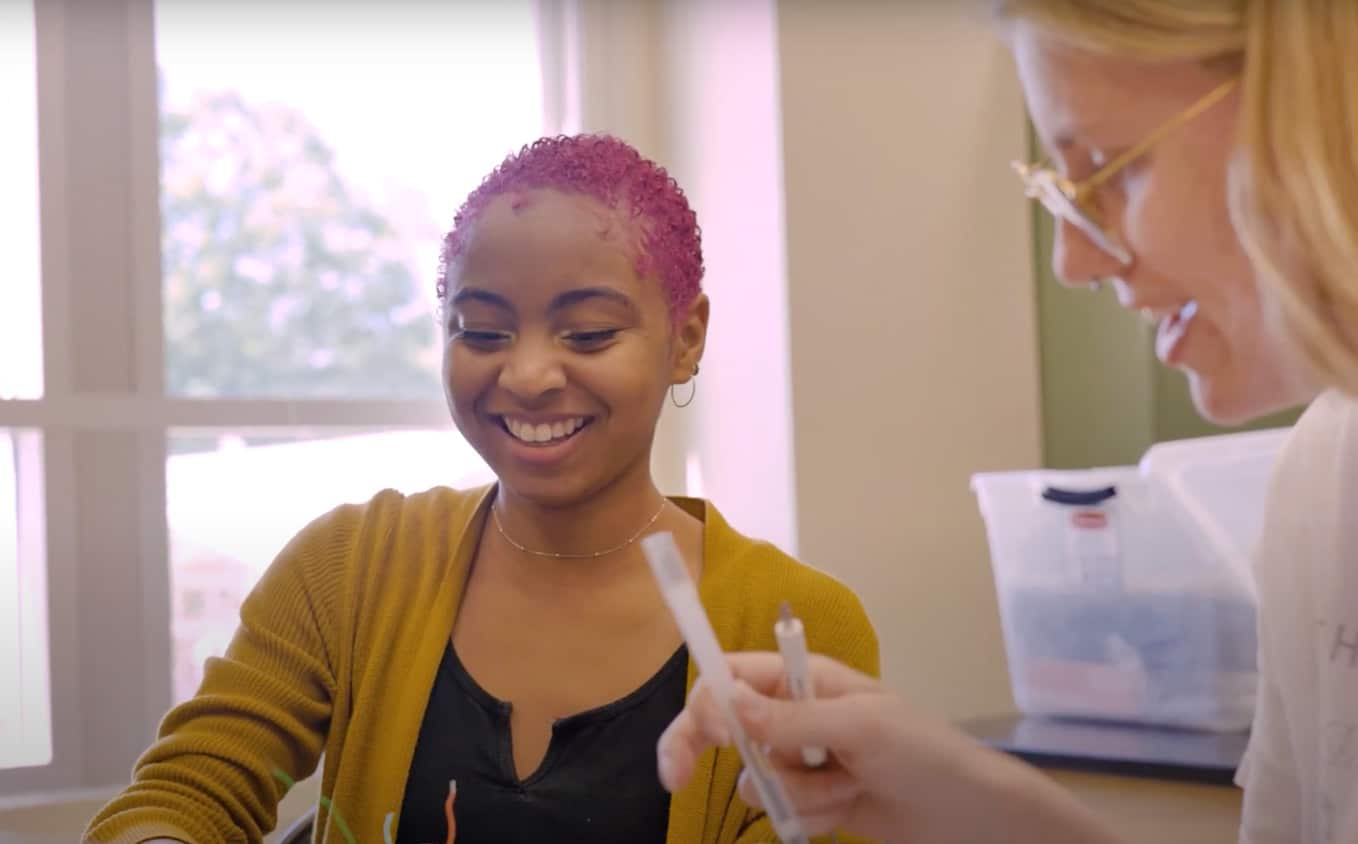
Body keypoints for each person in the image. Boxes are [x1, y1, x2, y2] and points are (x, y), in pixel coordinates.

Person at [658, 3, 1358, 842]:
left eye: (1112, 171)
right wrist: (966, 797)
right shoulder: (1328, 476)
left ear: (1333, 102)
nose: (1075, 259)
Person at [85, 134, 879, 844]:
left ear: (687, 339)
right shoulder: (352, 568)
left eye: (590, 333)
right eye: (483, 332)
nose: (527, 376)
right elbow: (189, 790)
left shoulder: (796, 626)